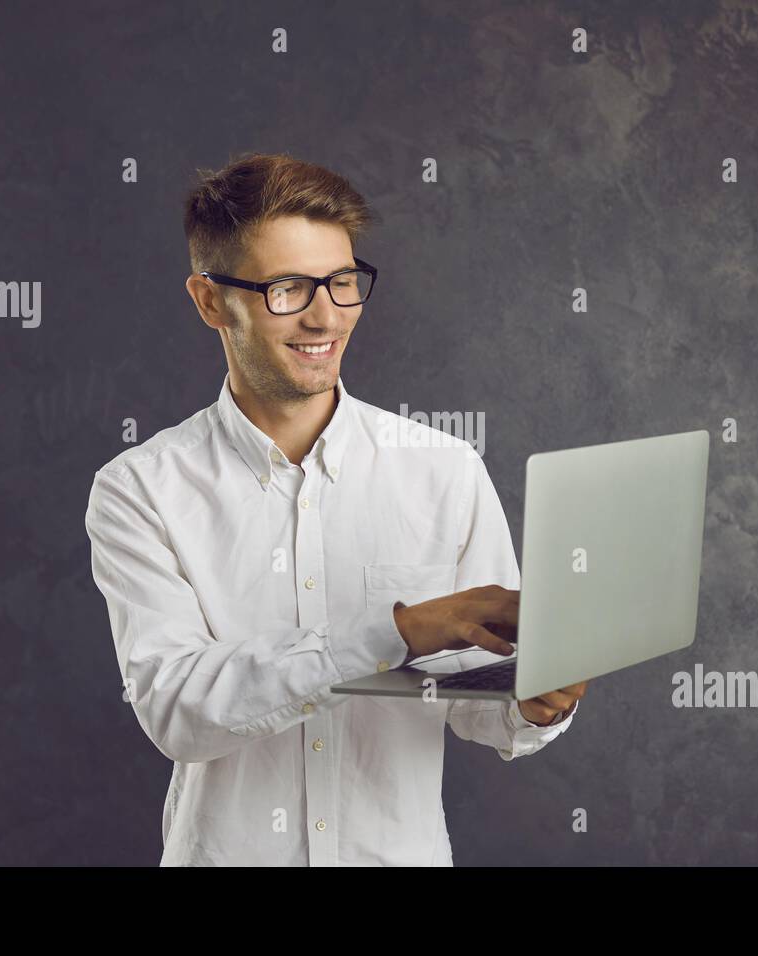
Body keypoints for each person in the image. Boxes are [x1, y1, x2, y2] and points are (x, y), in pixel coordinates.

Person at [84, 152, 588, 866]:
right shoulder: (140, 490)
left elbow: (482, 706)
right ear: (209, 301)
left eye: (343, 282)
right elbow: (178, 711)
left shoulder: (444, 470)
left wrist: (536, 703)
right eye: (287, 287)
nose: (326, 315)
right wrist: (400, 631)